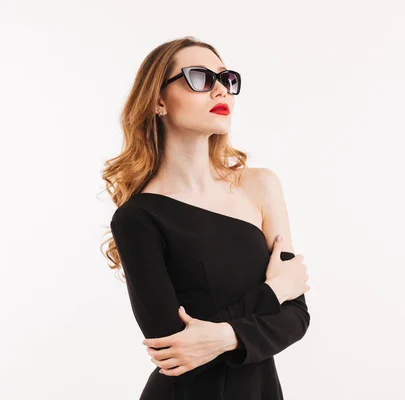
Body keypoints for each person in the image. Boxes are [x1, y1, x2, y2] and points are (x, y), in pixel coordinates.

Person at [100, 36, 311, 400]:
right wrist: (274, 291)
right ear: (158, 101)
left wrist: (222, 335)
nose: (220, 91)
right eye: (199, 78)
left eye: (226, 79)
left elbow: (296, 317)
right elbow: (173, 348)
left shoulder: (260, 187)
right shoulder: (136, 217)